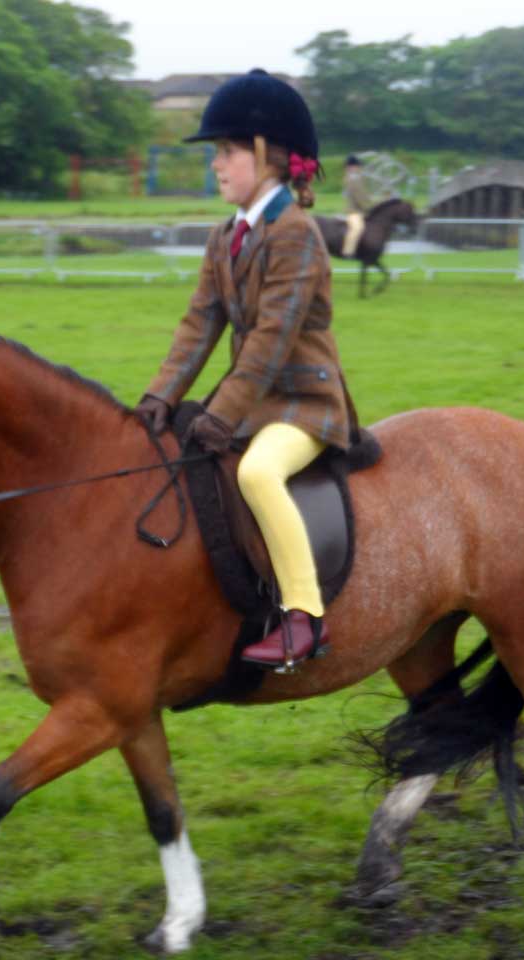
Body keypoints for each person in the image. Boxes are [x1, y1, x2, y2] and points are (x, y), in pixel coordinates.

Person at [135, 69, 356, 672]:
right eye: (217, 154)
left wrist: (221, 412)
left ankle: (304, 618)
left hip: (305, 406)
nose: (217, 165)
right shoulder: (223, 236)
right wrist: (161, 395)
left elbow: (270, 341)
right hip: (257, 403)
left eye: (227, 152)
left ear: (265, 156)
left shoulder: (297, 235)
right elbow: (199, 324)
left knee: (257, 473)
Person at [342, 154, 373, 258]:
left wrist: (372, 203)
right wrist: (367, 208)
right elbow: (358, 197)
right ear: (351, 167)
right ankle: (348, 251)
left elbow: (364, 194)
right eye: (357, 166)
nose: (359, 168)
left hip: (361, 210)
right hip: (353, 211)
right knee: (357, 228)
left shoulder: (357, 179)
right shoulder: (351, 179)